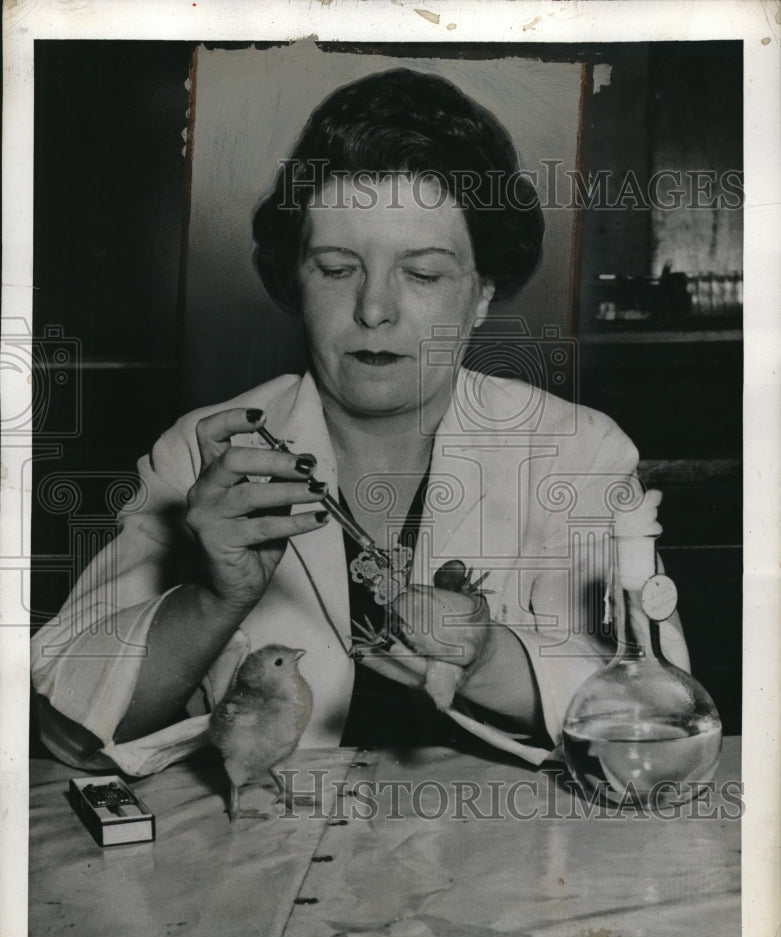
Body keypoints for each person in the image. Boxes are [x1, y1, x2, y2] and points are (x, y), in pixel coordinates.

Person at [31, 68, 689, 776]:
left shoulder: (574, 450)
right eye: (337, 268)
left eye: (424, 274)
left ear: (479, 296)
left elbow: (660, 716)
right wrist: (213, 601)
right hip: (272, 858)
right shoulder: (205, 452)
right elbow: (66, 732)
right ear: (293, 282)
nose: (374, 309)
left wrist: (484, 656)